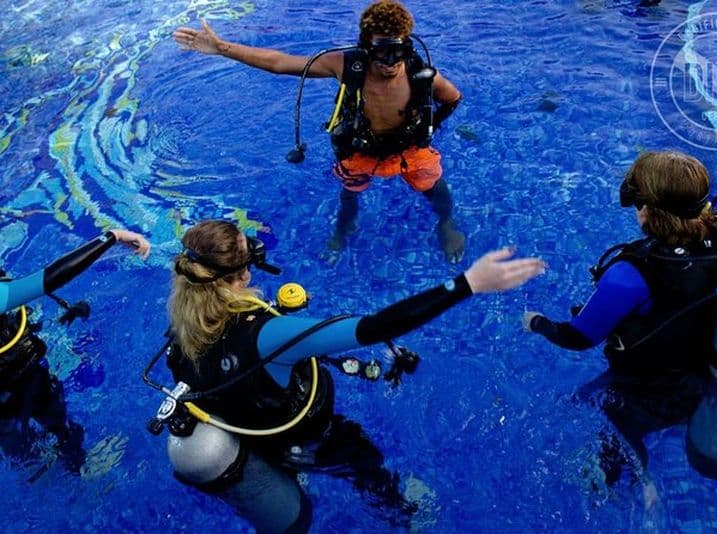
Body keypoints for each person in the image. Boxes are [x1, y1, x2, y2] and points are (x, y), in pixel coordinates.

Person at [162, 219, 545, 532]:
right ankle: (404, 515)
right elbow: (374, 327)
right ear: (241, 275)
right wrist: (468, 283)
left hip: (256, 439)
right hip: (312, 439)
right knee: (365, 462)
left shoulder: (181, 327)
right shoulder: (269, 336)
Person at [522, 109, 717, 481]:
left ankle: (638, 488)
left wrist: (535, 323)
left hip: (648, 393)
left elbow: (576, 337)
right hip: (708, 380)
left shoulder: (629, 277)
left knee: (594, 413)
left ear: (645, 211)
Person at [173, 0, 467, 263]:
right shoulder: (347, 65)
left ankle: (446, 224)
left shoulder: (420, 73)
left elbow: (453, 97)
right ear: (366, 46)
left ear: (408, 46)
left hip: (409, 150)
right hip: (360, 151)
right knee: (349, 196)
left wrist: (429, 128)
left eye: (398, 51)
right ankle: (343, 229)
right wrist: (223, 47)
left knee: (435, 188)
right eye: (382, 52)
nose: (391, 62)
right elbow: (280, 62)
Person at [1, 228, 150, 476]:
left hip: (12, 394)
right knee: (61, 429)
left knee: (20, 449)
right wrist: (113, 236)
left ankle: (42, 472)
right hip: (25, 380)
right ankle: (77, 467)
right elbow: (53, 276)